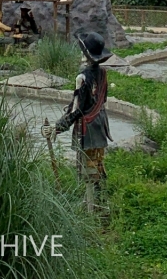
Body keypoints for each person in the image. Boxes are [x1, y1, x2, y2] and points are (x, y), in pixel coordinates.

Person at [54, 32, 112, 210]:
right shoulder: (102, 73)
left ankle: (90, 208)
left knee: (87, 168)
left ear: (86, 55)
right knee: (98, 163)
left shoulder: (82, 77)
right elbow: (103, 100)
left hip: (87, 128)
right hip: (101, 123)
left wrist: (58, 127)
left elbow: (76, 109)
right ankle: (100, 202)